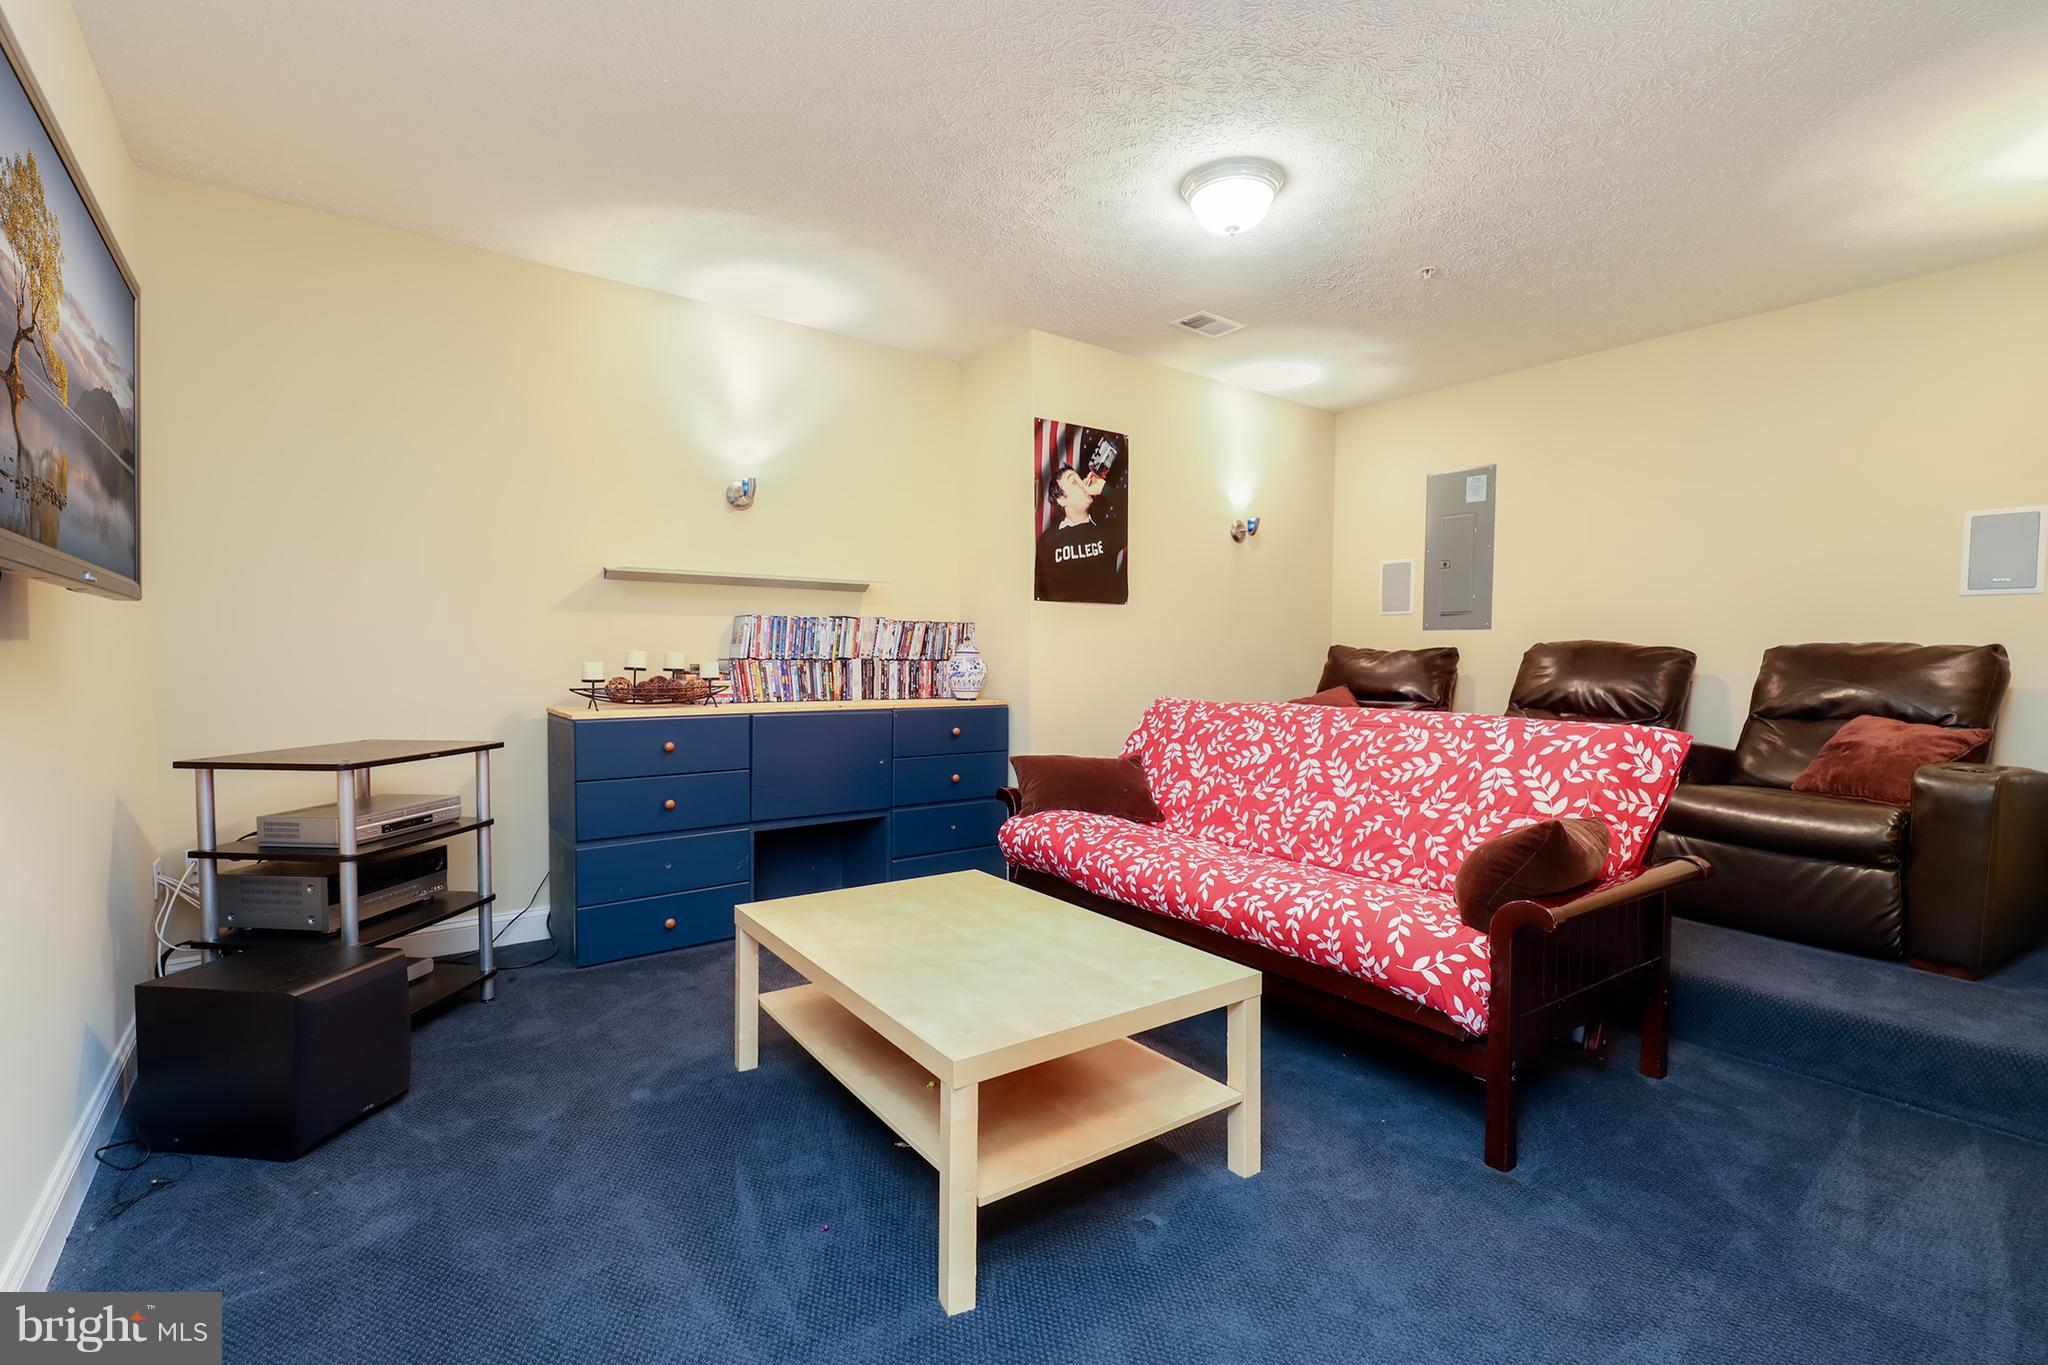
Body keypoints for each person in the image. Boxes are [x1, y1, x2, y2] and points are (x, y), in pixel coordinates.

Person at [1034, 449, 1126, 603]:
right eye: (1074, 481)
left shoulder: (1106, 531)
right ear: (1061, 499)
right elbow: (1040, 592)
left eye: (1080, 479)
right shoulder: (1047, 542)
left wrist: (1104, 489)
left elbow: (1137, 518)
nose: (1084, 483)